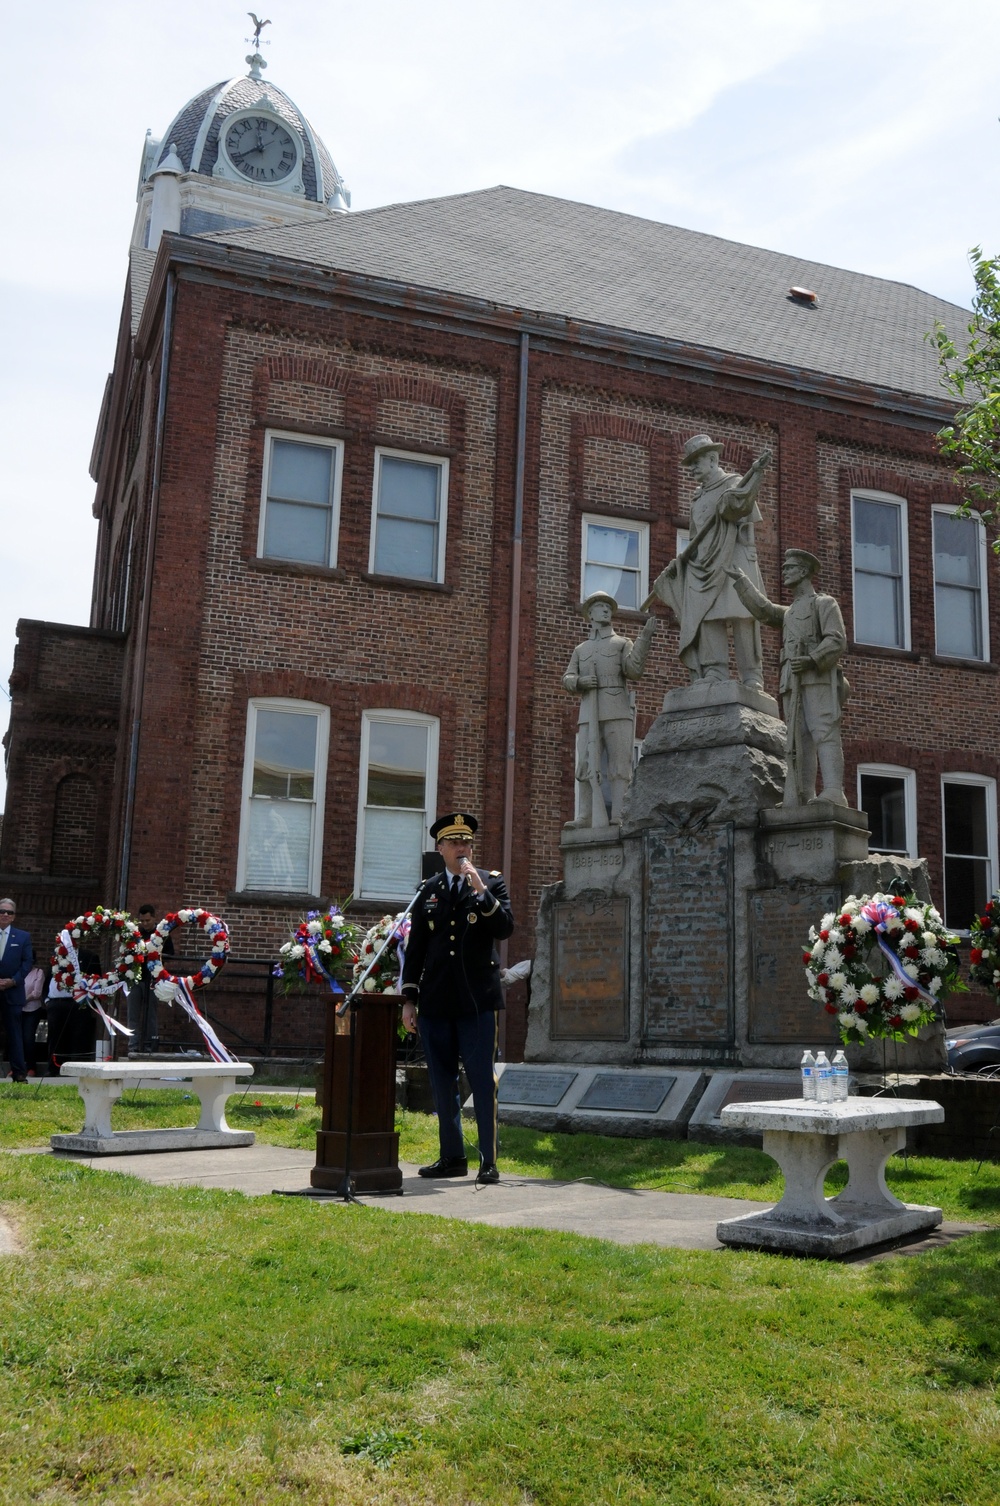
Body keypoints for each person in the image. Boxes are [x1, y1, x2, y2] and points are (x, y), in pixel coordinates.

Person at [400, 811, 514, 1184]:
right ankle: (452, 1157)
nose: (462, 848)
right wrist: (409, 1000)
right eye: (454, 842)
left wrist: (481, 892)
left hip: (476, 1001)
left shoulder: (490, 885)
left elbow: (505, 928)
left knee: (481, 1081)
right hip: (435, 1002)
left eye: (466, 842)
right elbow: (416, 949)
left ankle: (488, 1161)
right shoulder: (428, 890)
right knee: (441, 1081)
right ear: (441, 848)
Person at [646, 434, 771, 687]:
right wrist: (680, 563)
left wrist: (752, 479)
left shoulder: (735, 483)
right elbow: (695, 539)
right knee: (708, 613)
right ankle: (715, 670)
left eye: (696, 462)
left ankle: (751, 675)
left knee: (742, 613)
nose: (691, 469)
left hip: (733, 556)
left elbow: (742, 507)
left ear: (713, 459)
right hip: (704, 563)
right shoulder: (697, 498)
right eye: (689, 464)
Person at [726, 548, 849, 806]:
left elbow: (836, 640)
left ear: (803, 571)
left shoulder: (824, 604)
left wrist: (813, 659)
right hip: (792, 682)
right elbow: (765, 611)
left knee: (823, 732)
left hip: (817, 679)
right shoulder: (790, 611)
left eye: (789, 567)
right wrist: (741, 582)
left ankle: (834, 792)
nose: (784, 572)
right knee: (798, 739)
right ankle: (802, 793)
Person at [562, 592, 656, 826]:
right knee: (585, 764)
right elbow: (568, 677)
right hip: (588, 712)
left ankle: (619, 814)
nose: (606, 610)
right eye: (600, 606)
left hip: (617, 709)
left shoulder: (622, 643)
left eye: (608, 607)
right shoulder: (581, 649)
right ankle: (584, 816)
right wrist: (580, 682)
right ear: (590, 613)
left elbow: (633, 671)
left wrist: (644, 638)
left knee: (619, 764)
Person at [128, 904, 172, 1053]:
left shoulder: (161, 935)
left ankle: (149, 1047)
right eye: (142, 920)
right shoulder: (136, 934)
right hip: (135, 978)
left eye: (147, 920)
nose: (145, 923)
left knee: (150, 1014)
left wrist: (156, 956)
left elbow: (170, 954)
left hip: (153, 979)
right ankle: (133, 1046)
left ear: (154, 917)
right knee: (132, 1014)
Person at [0, 899, 35, 1082]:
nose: (5, 914)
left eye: (9, 912)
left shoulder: (23, 937)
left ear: (14, 917)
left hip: (13, 992)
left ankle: (19, 1073)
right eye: (2, 911)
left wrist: (13, 981)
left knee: (14, 1034)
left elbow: (27, 963)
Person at [21, 959, 46, 1076]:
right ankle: (17, 1067)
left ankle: (31, 1067)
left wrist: (22, 1000)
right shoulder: (17, 971)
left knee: (28, 1037)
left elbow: (37, 993)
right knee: (16, 1038)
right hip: (17, 1009)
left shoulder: (38, 972)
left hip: (32, 1009)